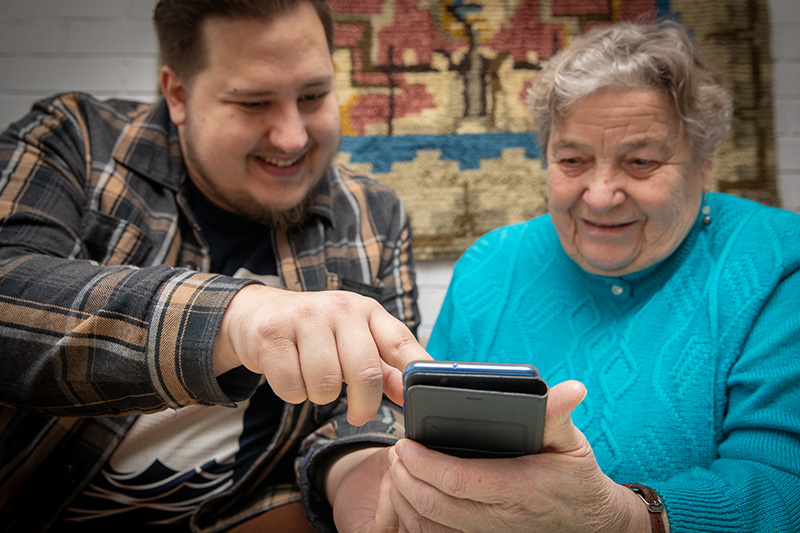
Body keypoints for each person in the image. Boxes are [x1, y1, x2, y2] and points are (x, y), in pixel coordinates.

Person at [0, 0, 431, 531]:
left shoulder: (375, 215)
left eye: (314, 95)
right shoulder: (74, 142)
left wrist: (359, 476)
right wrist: (234, 318)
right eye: (253, 103)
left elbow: (360, 414)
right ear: (177, 94)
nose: (293, 138)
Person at [383, 20, 800, 532]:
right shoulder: (490, 264)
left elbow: (783, 484)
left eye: (641, 161)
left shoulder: (777, 260)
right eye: (573, 159)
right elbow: (429, 445)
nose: (600, 195)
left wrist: (624, 519)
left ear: (703, 164)